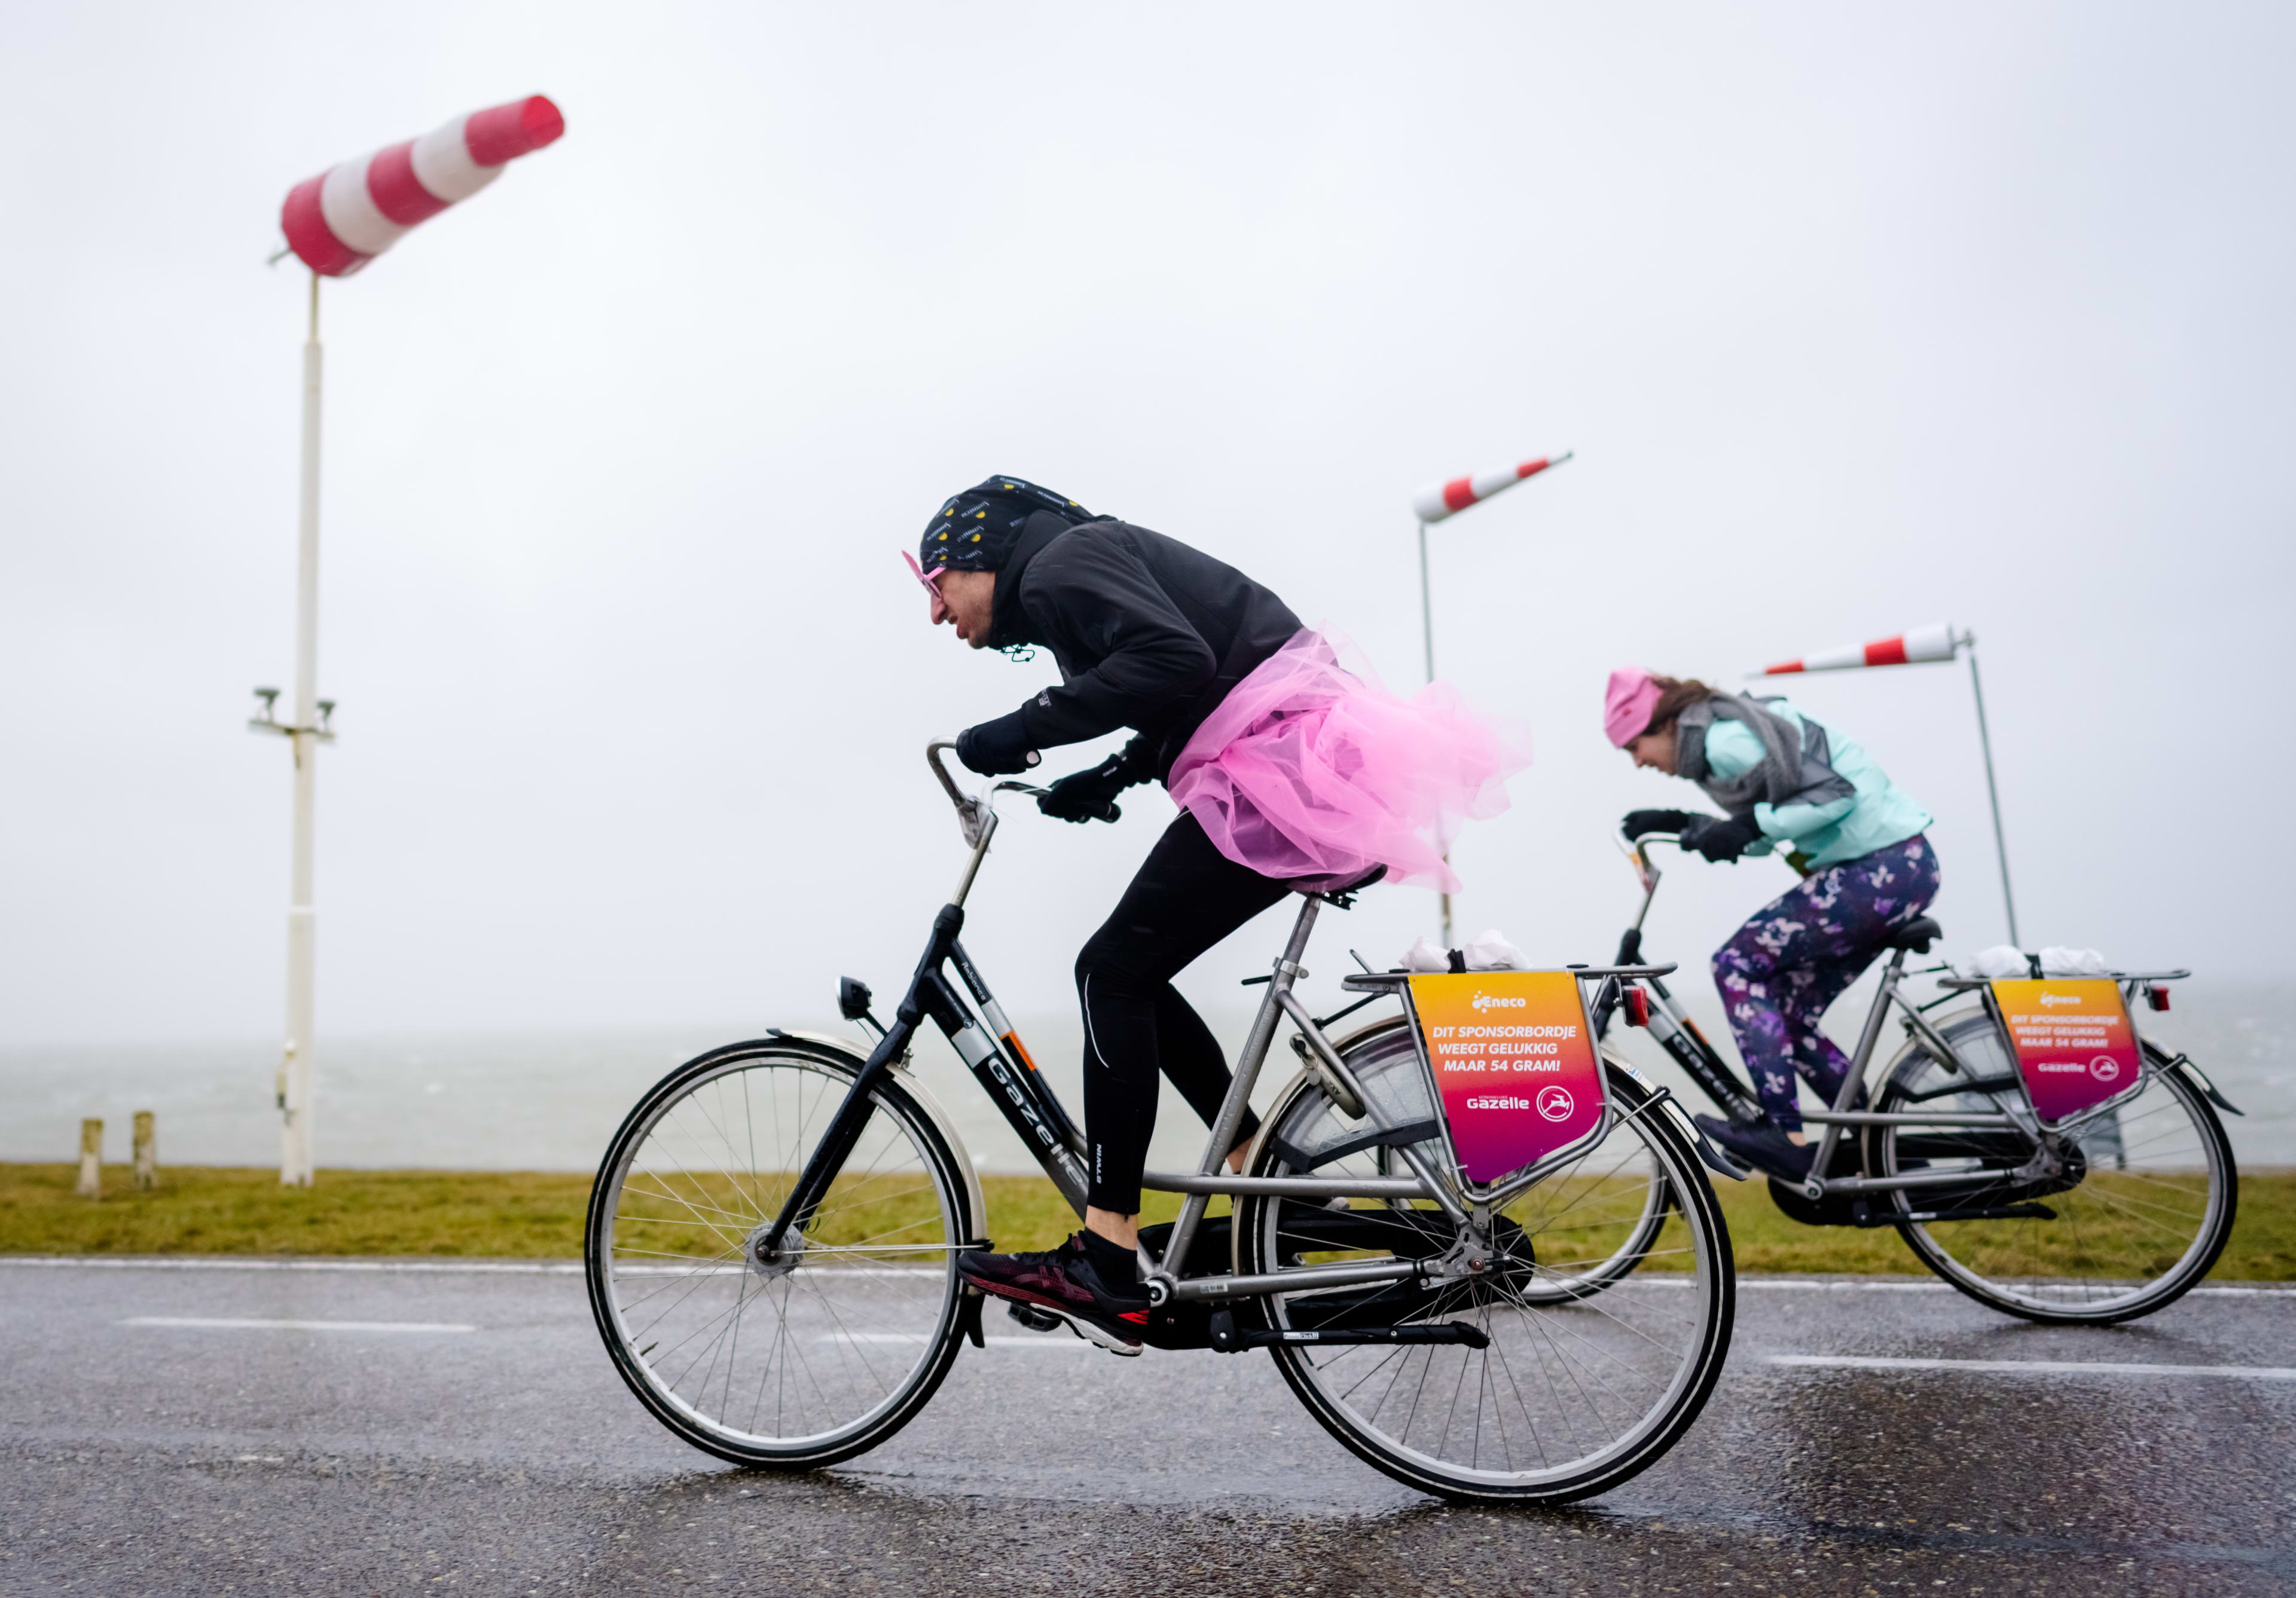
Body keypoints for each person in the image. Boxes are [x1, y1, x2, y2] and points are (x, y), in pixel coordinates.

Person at [915, 475, 1524, 1353]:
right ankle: (1252, 1170)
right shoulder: (1073, 569)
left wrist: (1022, 728)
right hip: (1295, 758)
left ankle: (1108, 1253)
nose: (937, 613)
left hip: (1285, 766)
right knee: (1135, 974)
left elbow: (1173, 659)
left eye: (936, 586)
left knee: (1110, 972)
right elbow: (1181, 677)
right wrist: (1112, 775)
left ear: (980, 554)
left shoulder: (1053, 567)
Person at [1605, 668, 1939, 1183]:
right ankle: (1882, 1146)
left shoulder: (1722, 739)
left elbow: (1835, 794)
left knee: (1736, 964)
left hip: (1880, 867)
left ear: (1665, 724)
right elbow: (1778, 817)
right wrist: (1690, 826)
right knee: (1789, 1013)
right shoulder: (1713, 740)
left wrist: (1747, 825)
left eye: (1636, 745)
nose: (1638, 761)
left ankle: (1784, 1134)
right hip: (1899, 866)